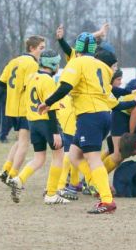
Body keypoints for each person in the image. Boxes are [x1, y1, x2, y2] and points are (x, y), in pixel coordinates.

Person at [38, 32, 117, 214]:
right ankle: (99, 186)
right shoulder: (103, 66)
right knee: (74, 154)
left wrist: (48, 102)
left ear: (78, 48)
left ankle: (107, 200)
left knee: (93, 158)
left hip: (90, 114)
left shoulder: (76, 62)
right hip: (103, 113)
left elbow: (66, 86)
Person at [8, 50, 70, 205]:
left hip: (32, 123)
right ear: (53, 64)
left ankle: (19, 179)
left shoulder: (31, 78)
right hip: (46, 122)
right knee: (58, 157)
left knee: (39, 158)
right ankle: (51, 194)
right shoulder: (48, 81)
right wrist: (55, 132)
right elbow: (50, 107)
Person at [0, 35, 46, 184]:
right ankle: (12, 175)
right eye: (41, 48)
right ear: (32, 48)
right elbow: (30, 86)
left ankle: (6, 169)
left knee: (20, 141)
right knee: (24, 143)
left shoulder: (14, 61)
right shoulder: (31, 64)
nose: (42, 52)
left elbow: (1, 83)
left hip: (12, 108)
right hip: (25, 108)